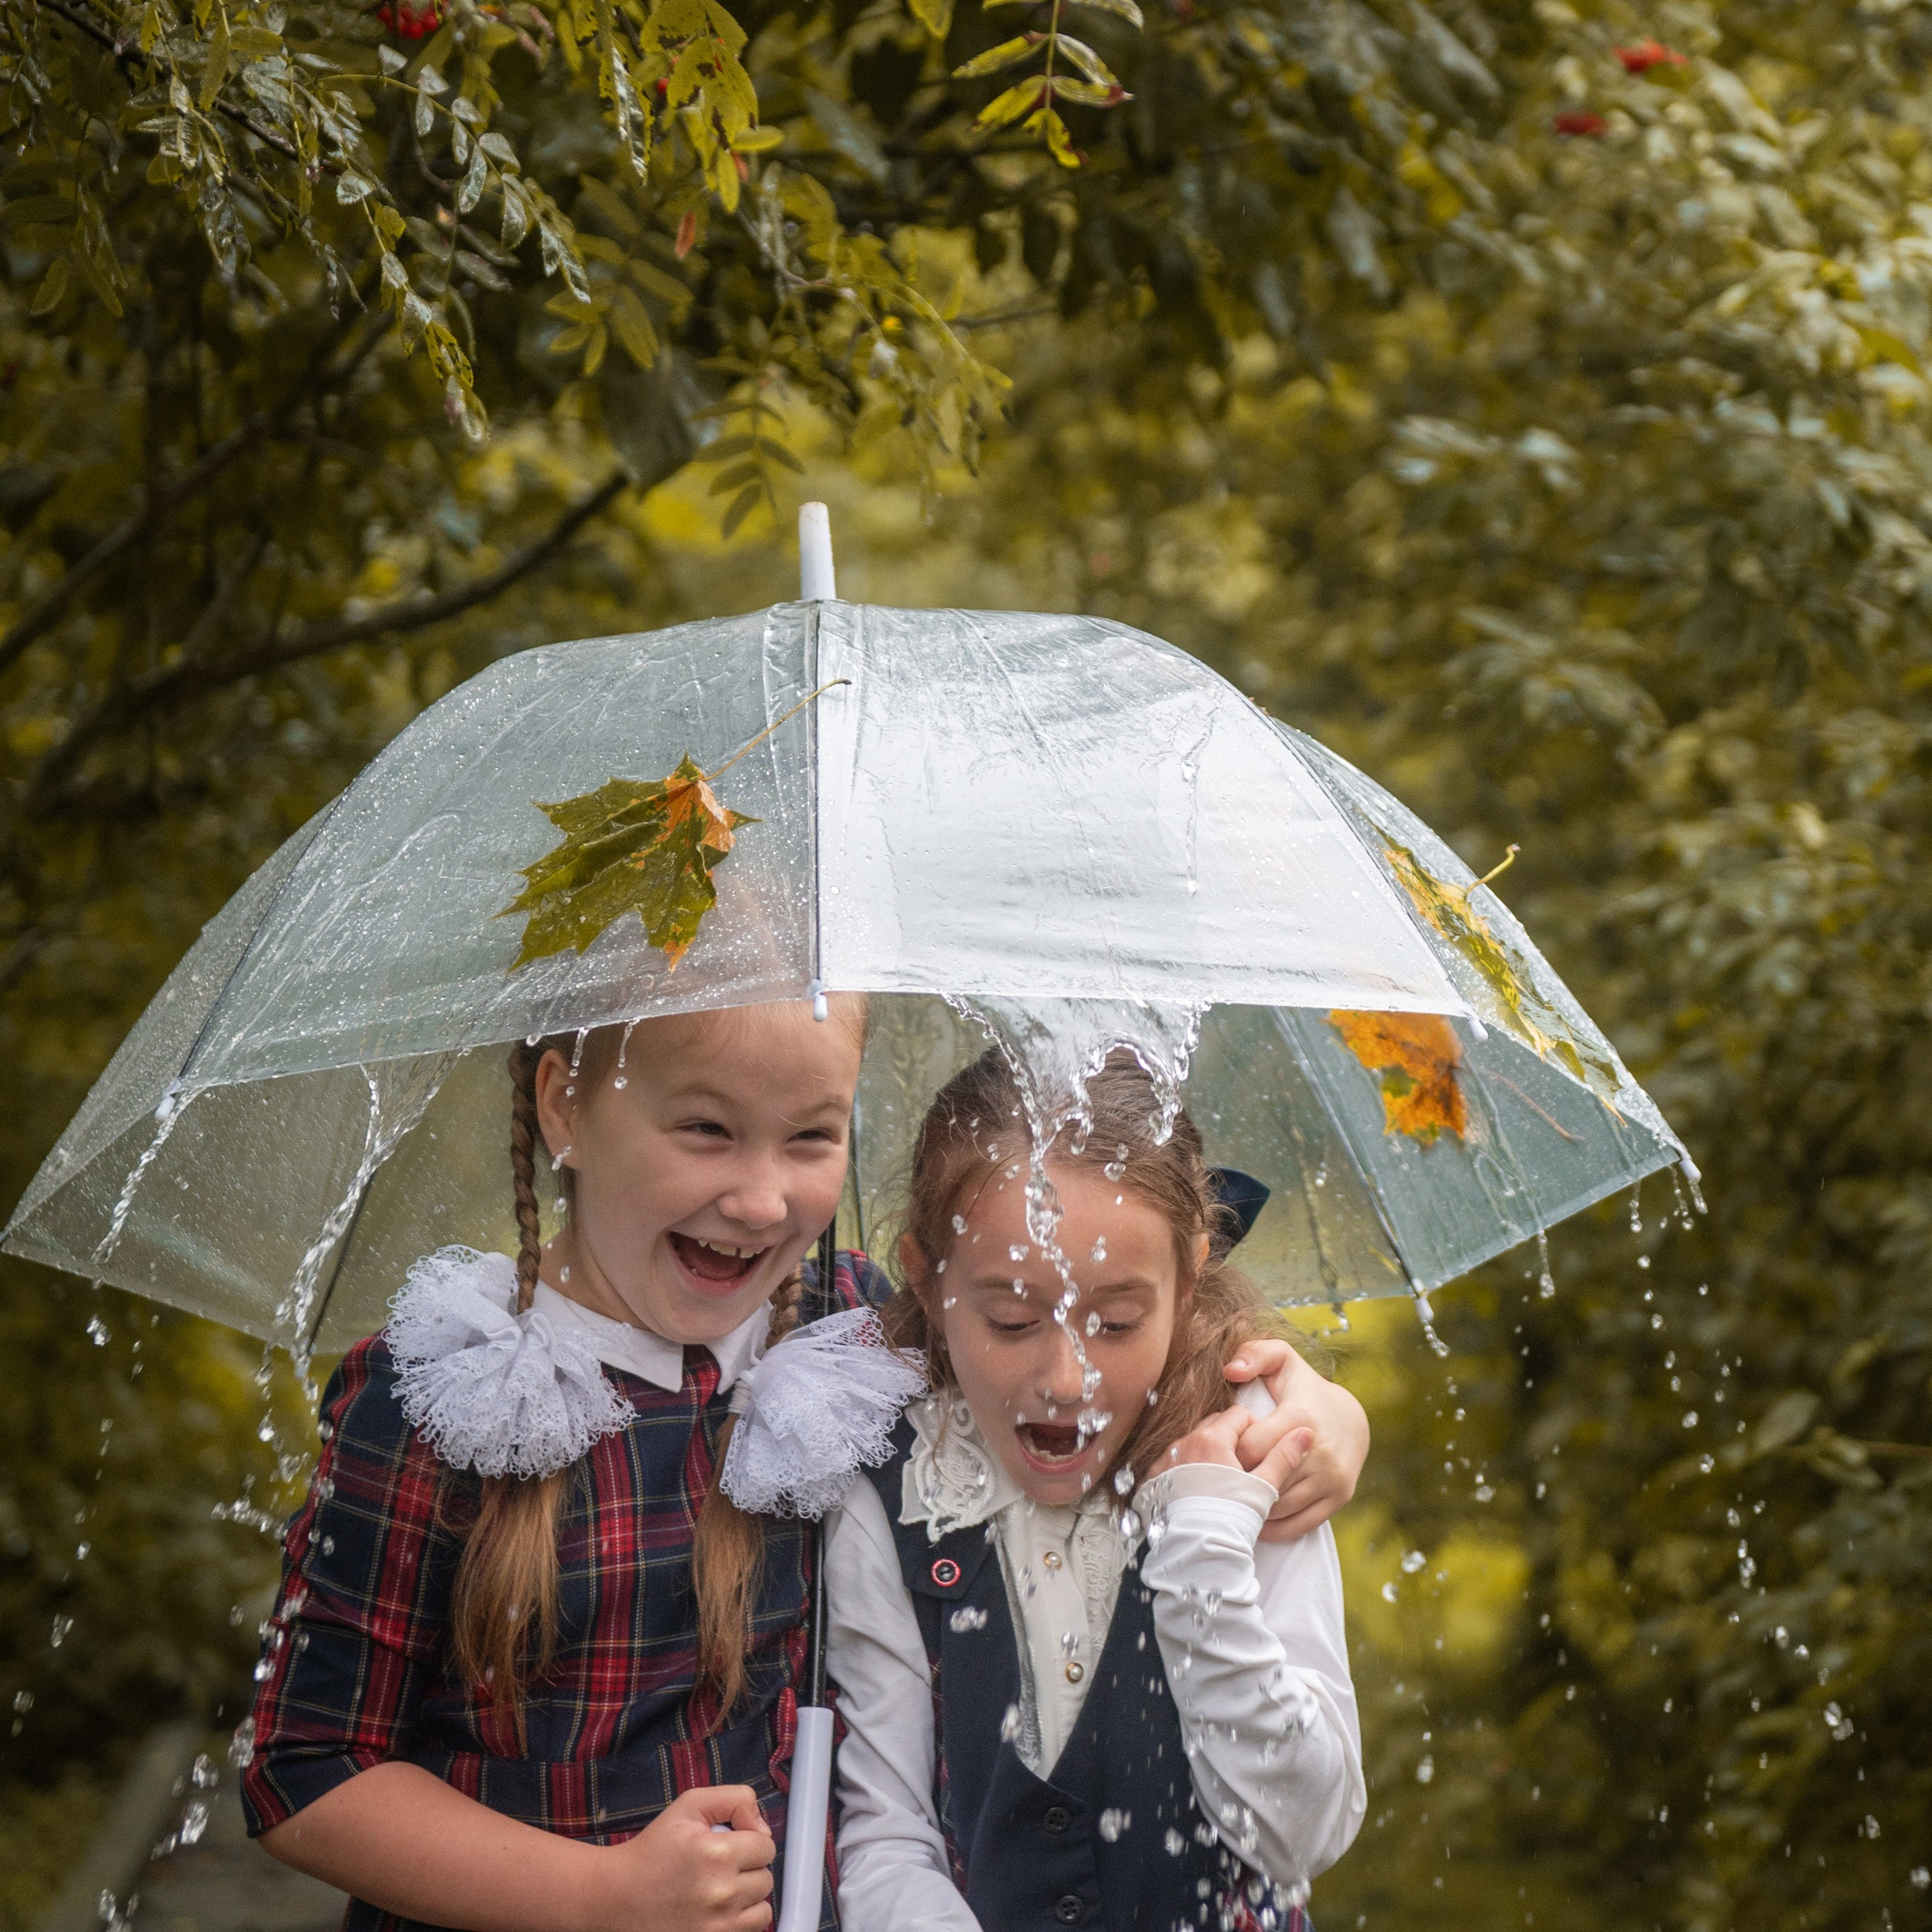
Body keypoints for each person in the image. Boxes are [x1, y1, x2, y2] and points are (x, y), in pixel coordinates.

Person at [242, 1001, 1364, 1932]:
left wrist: (1313, 1408)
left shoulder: (849, 1337)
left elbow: (1077, 1313)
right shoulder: (435, 1395)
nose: (762, 1198)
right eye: (706, 1130)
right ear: (563, 1105)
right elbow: (304, 1775)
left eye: (812, 1138)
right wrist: (602, 1897)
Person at [826, 1049, 1367, 1932]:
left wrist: (1204, 1559)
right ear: (925, 1277)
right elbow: (887, 1835)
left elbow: (1301, 1833)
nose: (1066, 1377)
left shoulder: (1252, 1454)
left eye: (1115, 1323)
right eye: (1010, 1318)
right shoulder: (891, 1485)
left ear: (1188, 1278)